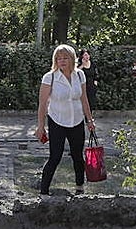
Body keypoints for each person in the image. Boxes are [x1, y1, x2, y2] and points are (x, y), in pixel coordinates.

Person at [36, 44, 95, 196]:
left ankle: (80, 188)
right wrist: (41, 126)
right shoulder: (50, 77)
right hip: (57, 120)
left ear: (72, 59)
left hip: (76, 120)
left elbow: (84, 99)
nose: (62, 61)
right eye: (58, 58)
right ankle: (43, 191)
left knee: (77, 156)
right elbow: (42, 104)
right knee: (55, 157)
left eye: (65, 58)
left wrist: (90, 120)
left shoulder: (80, 75)